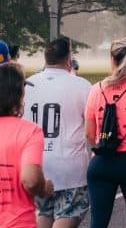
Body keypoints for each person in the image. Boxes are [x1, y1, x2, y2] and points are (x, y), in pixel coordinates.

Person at [23, 37, 92, 228]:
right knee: (69, 212)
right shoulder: (82, 86)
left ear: (45, 58)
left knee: (43, 212)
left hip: (36, 162)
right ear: (68, 59)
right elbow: (91, 127)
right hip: (70, 165)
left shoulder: (28, 85)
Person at [84, 38, 126, 228]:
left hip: (101, 160)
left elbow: (89, 134)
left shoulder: (96, 90)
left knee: (98, 222)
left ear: (112, 59)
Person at [0, 63, 55, 227]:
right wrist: (44, 188)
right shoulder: (30, 131)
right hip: (17, 222)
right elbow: (31, 180)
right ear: (19, 93)